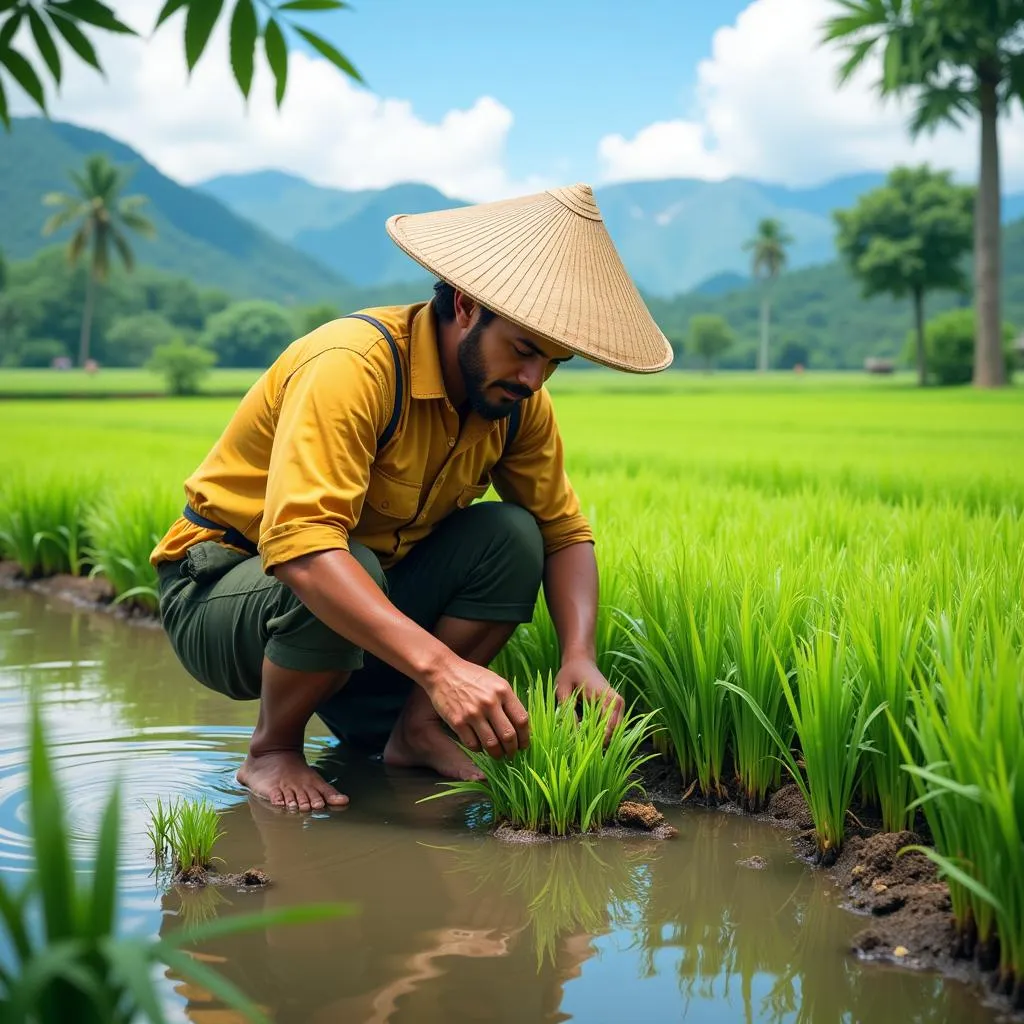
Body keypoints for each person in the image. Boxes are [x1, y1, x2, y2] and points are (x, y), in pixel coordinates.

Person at [150, 183, 672, 813]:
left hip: (364, 597)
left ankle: (416, 731)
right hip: (220, 592)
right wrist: (441, 668)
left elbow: (562, 531)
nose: (535, 378)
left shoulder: (515, 401)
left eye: (554, 361)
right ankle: (272, 748)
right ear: (465, 306)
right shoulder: (353, 366)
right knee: (346, 561)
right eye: (525, 350)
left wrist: (579, 656)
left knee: (512, 535)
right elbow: (303, 547)